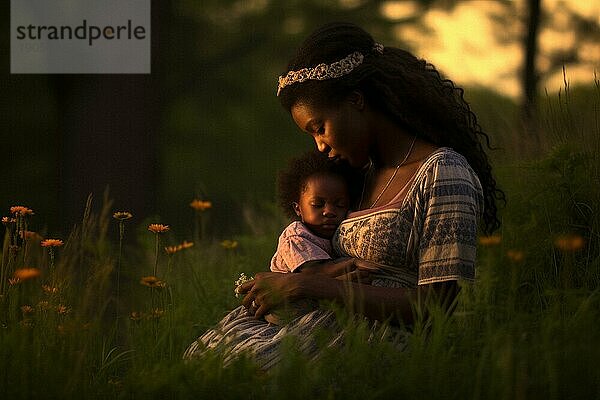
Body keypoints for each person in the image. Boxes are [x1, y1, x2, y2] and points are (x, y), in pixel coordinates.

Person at [184, 22, 503, 369]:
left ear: (356, 100)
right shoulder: (357, 180)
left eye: (319, 128)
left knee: (245, 375)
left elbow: (437, 308)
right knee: (199, 363)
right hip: (317, 327)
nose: (320, 145)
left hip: (378, 345)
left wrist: (308, 287)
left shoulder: (443, 173)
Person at [264, 150, 377, 324]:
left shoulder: (337, 230)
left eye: (340, 205)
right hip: (284, 306)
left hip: (315, 291)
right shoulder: (296, 236)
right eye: (318, 204)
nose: (329, 212)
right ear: (298, 208)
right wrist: (352, 265)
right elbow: (313, 274)